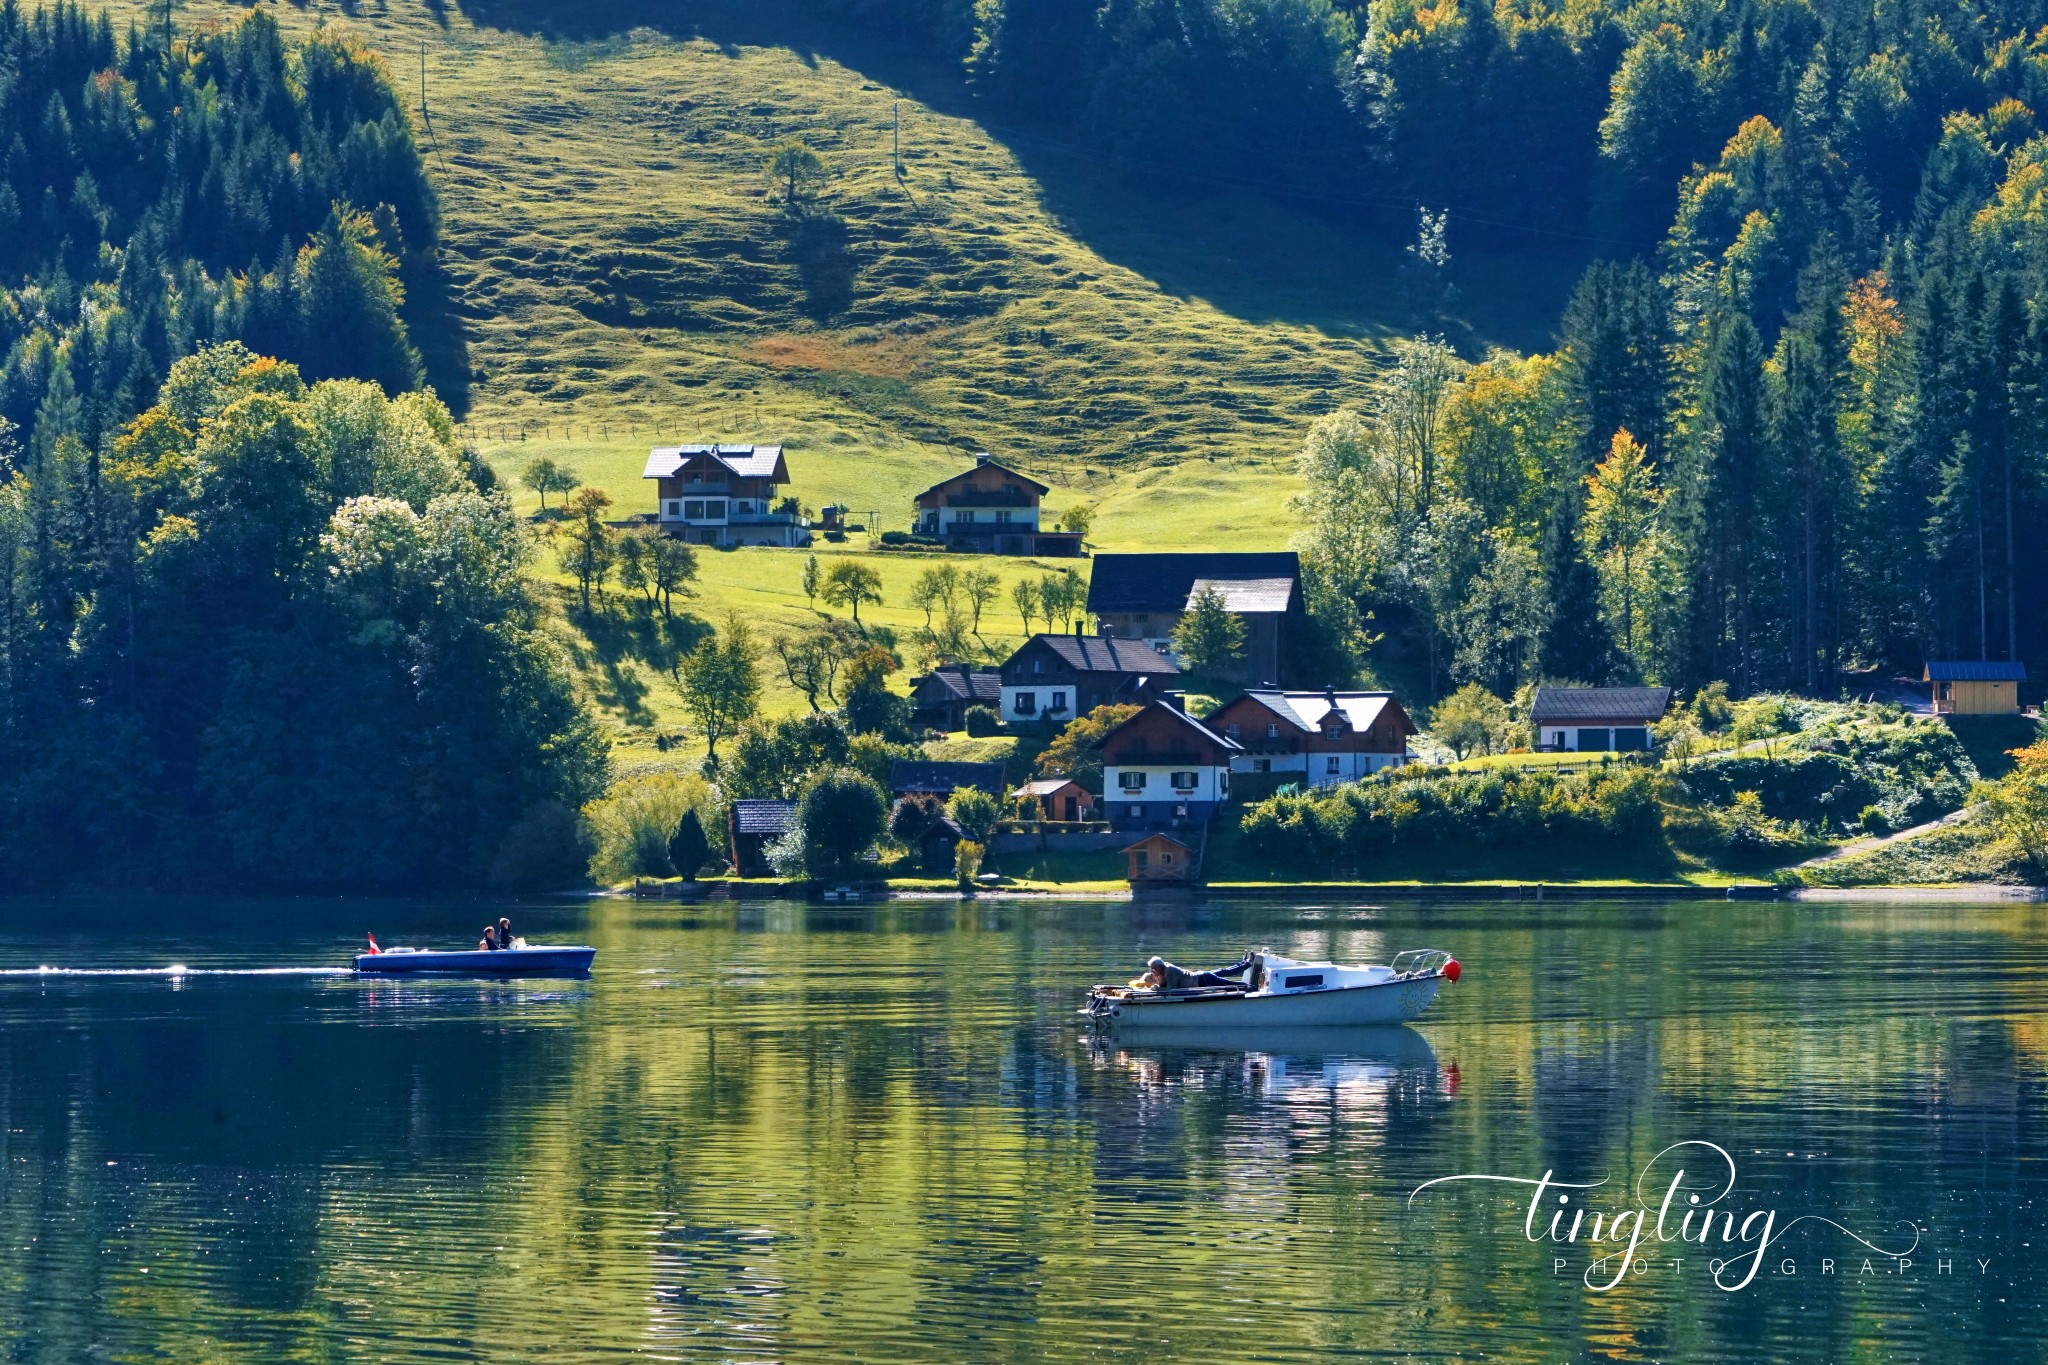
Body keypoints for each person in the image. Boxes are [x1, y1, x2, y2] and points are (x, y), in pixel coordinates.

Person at [1141, 953, 1256, 991]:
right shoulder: (1163, 970)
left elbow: (1171, 990)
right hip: (1201, 976)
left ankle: (1251, 987)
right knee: (1224, 971)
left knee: (1230, 985)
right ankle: (1246, 963)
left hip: (1203, 980)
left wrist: (1155, 988)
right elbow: (1163, 984)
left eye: (1153, 968)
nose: (1152, 971)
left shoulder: (1169, 971)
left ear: (1159, 966)